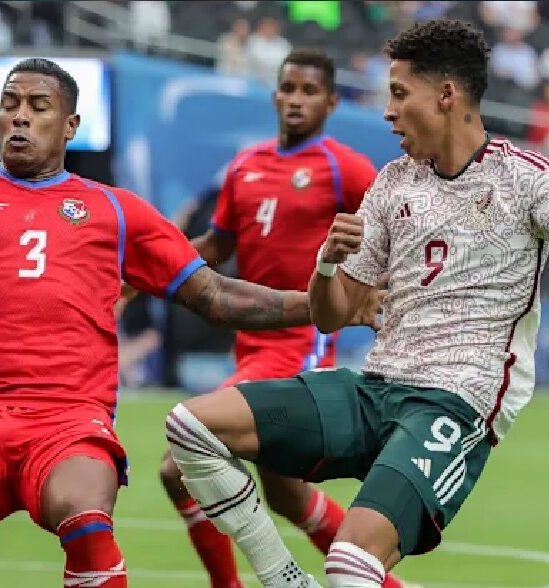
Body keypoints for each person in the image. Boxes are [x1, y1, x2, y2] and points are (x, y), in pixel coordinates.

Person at [0, 58, 375, 588]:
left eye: (38, 106)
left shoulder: (118, 211)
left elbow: (214, 295)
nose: (20, 116)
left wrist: (327, 305)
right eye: (10, 103)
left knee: (85, 520)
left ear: (70, 126)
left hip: (67, 423)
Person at [166, 20, 549, 588]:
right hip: (375, 388)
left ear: (446, 94)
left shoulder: (532, 179)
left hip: (455, 403)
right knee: (190, 427)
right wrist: (326, 263)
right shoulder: (392, 183)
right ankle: (284, 578)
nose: (388, 111)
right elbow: (332, 314)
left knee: (350, 563)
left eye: (400, 93)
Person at [157, 48, 410, 588]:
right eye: (289, 89)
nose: (296, 100)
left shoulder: (345, 167)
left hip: (301, 342)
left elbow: (392, 234)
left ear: (332, 103)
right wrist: (149, 268)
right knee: (286, 494)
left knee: (178, 466)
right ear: (274, 96)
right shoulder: (245, 166)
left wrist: (378, 292)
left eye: (309, 91)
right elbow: (217, 246)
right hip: (251, 344)